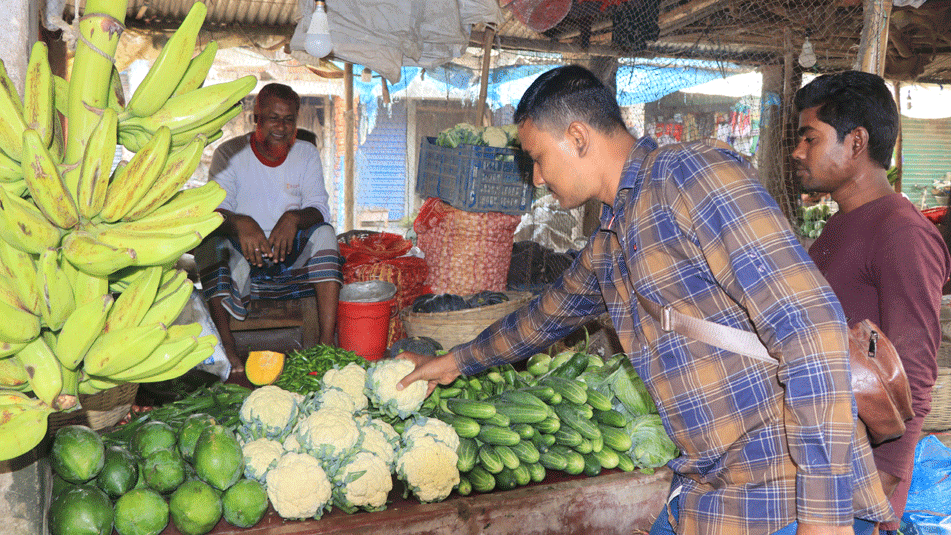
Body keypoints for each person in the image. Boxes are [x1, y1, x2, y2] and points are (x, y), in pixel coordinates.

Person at [397, 64, 893, 534]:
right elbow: (542, 319)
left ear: (576, 137)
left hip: (786, 494)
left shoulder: (691, 175)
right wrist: (456, 362)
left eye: (538, 159)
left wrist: (826, 514)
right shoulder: (613, 238)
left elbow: (810, 325)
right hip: (714, 494)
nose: (537, 179)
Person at [794, 71, 951, 535]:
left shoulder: (901, 233)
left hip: (860, 482)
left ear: (856, 141)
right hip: (825, 458)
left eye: (810, 137)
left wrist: (883, 492)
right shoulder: (842, 223)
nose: (798, 152)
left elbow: (916, 372)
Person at [194, 82, 343, 374]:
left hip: (290, 257)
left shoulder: (306, 154)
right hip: (244, 258)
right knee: (208, 246)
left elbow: (320, 208)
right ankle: (228, 349)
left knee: (326, 234)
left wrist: (293, 218)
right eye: (273, 117)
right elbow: (212, 212)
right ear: (256, 117)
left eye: (289, 119)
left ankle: (326, 345)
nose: (281, 127)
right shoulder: (230, 154)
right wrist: (241, 222)